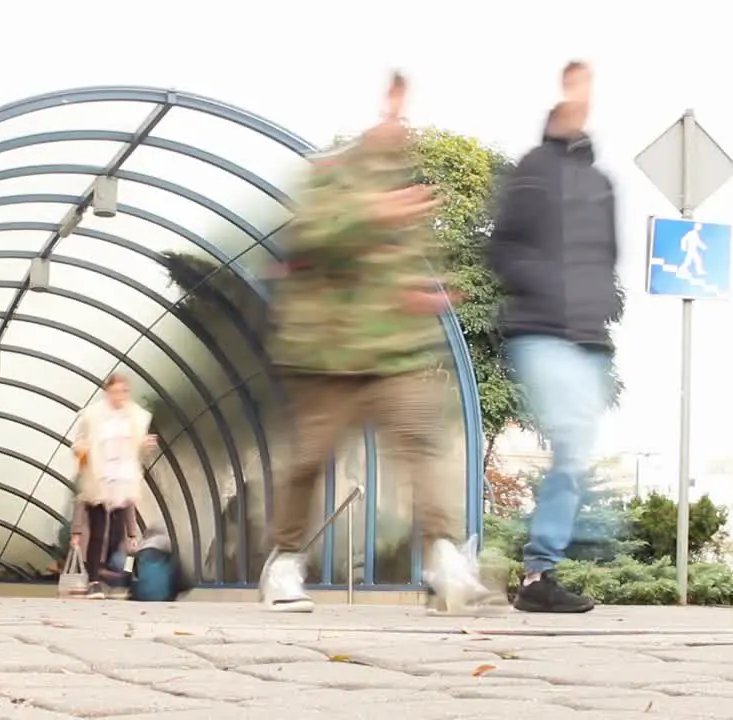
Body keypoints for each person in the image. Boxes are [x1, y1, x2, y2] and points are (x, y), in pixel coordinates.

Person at [260, 71, 494, 614]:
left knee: (422, 444)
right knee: (308, 460)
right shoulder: (330, 174)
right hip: (326, 353)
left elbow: (389, 266)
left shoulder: (404, 189)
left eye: (405, 110)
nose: (399, 120)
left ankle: (443, 558)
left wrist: (419, 293)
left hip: (396, 352)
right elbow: (308, 236)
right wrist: (370, 214)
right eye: (393, 106)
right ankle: (285, 560)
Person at [488, 61, 619, 613]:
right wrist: (546, 289)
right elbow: (502, 247)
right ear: (561, 102)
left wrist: (595, 314)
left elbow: (609, 257)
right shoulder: (532, 169)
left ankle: (538, 575)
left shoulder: (600, 183)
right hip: (539, 328)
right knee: (569, 438)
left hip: (586, 336)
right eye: (575, 91)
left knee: (575, 450)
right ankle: (537, 572)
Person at [69, 372, 156, 600]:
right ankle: (94, 581)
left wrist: (145, 445)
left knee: (118, 533)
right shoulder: (93, 416)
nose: (121, 396)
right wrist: (81, 448)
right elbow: (78, 442)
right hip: (98, 476)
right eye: (116, 391)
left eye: (124, 391)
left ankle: (104, 569)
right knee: (97, 530)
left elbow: (139, 447)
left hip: (123, 479)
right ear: (108, 392)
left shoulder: (135, 417)